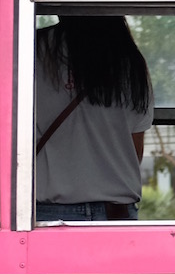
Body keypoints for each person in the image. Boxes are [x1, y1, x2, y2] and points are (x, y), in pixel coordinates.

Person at [35, 15, 154, 221]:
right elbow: (136, 148)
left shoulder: (31, 48)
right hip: (116, 213)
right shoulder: (130, 60)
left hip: (47, 212)